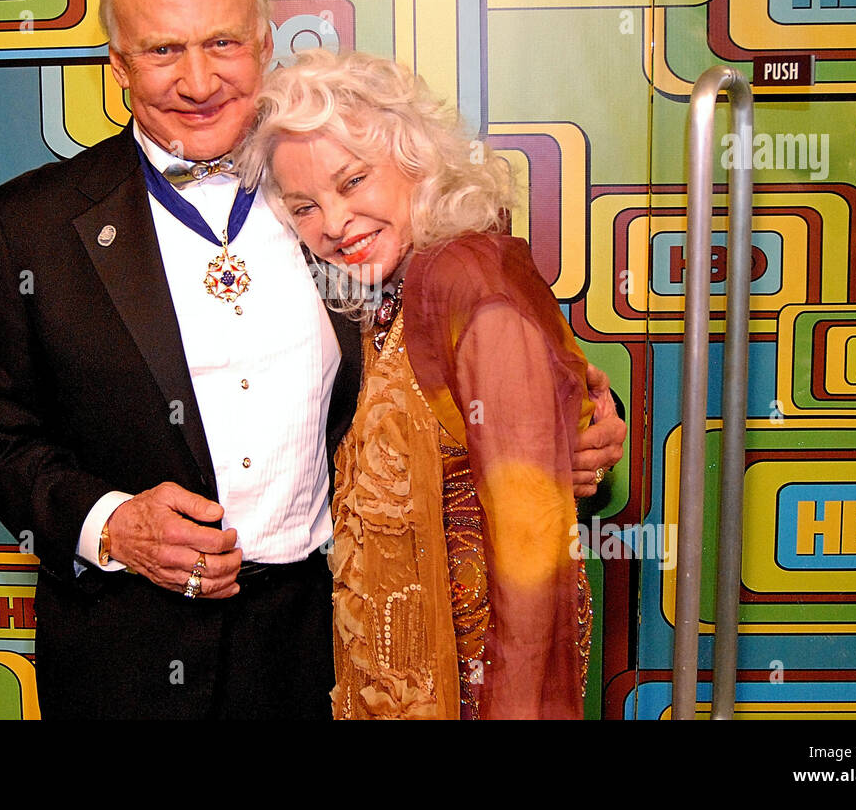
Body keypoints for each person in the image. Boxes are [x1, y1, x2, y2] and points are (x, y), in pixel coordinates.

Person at [0, 0, 625, 719]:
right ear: (118, 65)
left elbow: (477, 361)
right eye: (164, 50)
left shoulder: (349, 199)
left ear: (265, 42)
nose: (198, 80)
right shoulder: (25, 226)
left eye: (223, 43)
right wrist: (113, 523)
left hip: (327, 641)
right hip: (123, 653)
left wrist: (574, 425)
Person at [239, 49, 599, 719]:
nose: (335, 224)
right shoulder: (394, 287)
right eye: (305, 206)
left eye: (353, 181)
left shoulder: (466, 279)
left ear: (416, 159)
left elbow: (532, 536)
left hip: (480, 683)